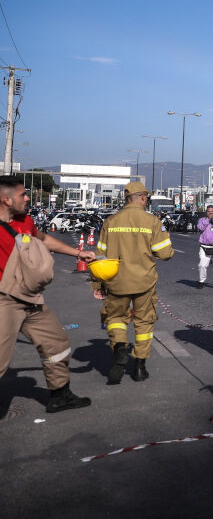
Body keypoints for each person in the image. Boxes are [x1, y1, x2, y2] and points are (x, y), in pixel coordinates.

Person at [0, 176, 96, 412]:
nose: (27, 197)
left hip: (30, 298)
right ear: (6, 200)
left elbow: (44, 240)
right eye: (22, 194)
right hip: (4, 301)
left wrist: (78, 253)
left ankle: (60, 395)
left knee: (56, 341)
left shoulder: (26, 221)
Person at [96, 181, 174, 384]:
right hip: (144, 282)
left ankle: (120, 347)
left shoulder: (111, 221)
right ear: (141, 197)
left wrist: (97, 284)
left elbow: (99, 256)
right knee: (144, 323)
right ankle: (139, 367)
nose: (146, 200)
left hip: (115, 281)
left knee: (115, 318)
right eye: (146, 197)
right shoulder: (152, 221)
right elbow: (165, 253)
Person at [196, 205, 213, 289]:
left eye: (212, 212)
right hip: (204, 246)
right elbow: (200, 228)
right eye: (209, 212)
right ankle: (201, 281)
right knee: (202, 265)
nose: (210, 213)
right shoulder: (202, 220)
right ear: (206, 212)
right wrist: (209, 221)